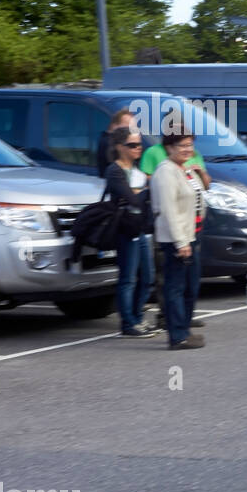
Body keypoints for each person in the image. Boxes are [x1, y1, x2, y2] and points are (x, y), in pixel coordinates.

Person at [140, 122, 209, 332]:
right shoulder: (166, 172)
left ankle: (184, 328)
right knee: (176, 287)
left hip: (192, 234)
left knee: (191, 286)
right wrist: (181, 242)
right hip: (176, 239)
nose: (188, 149)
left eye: (190, 145)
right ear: (169, 147)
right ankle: (177, 334)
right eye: (182, 145)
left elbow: (200, 195)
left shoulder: (185, 169)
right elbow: (169, 210)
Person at [104, 127, 156, 337]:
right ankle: (128, 323)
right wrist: (144, 191)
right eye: (132, 145)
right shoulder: (115, 171)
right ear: (119, 147)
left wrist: (139, 193)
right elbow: (133, 199)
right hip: (125, 228)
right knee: (128, 278)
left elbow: (137, 198)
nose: (138, 148)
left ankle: (137, 318)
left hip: (141, 228)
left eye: (139, 144)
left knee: (148, 277)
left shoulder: (137, 171)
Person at [97, 109, 134, 177]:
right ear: (115, 125)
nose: (131, 129)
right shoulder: (108, 143)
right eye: (127, 125)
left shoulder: (112, 140)